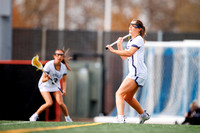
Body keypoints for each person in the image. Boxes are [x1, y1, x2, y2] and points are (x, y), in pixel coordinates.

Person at [106, 19, 150, 123]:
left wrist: (112, 50)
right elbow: (124, 57)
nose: (130, 27)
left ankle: (120, 118)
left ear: (139, 29)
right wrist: (119, 45)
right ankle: (143, 115)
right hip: (136, 73)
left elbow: (129, 53)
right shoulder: (131, 41)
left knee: (119, 94)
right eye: (129, 25)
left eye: (133, 26)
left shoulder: (138, 39)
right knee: (128, 98)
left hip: (137, 73)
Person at [29, 49, 73, 122]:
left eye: (61, 55)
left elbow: (64, 80)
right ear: (54, 56)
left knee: (61, 103)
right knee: (49, 103)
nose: (59, 56)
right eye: (58, 55)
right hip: (44, 85)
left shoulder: (63, 67)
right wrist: (47, 78)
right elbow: (43, 79)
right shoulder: (49, 65)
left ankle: (67, 118)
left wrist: (64, 89)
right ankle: (34, 116)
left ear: (63, 57)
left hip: (55, 85)